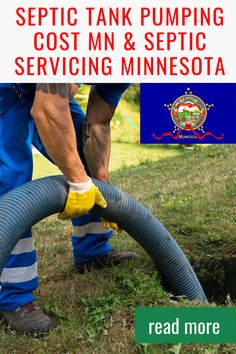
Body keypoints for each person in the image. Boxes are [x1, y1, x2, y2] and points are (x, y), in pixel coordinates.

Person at [0, 83, 137, 335]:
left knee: (85, 158)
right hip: (6, 85)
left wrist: (99, 181)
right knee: (10, 187)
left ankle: (92, 250)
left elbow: (97, 123)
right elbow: (47, 109)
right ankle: (14, 296)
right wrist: (78, 180)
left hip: (41, 86)